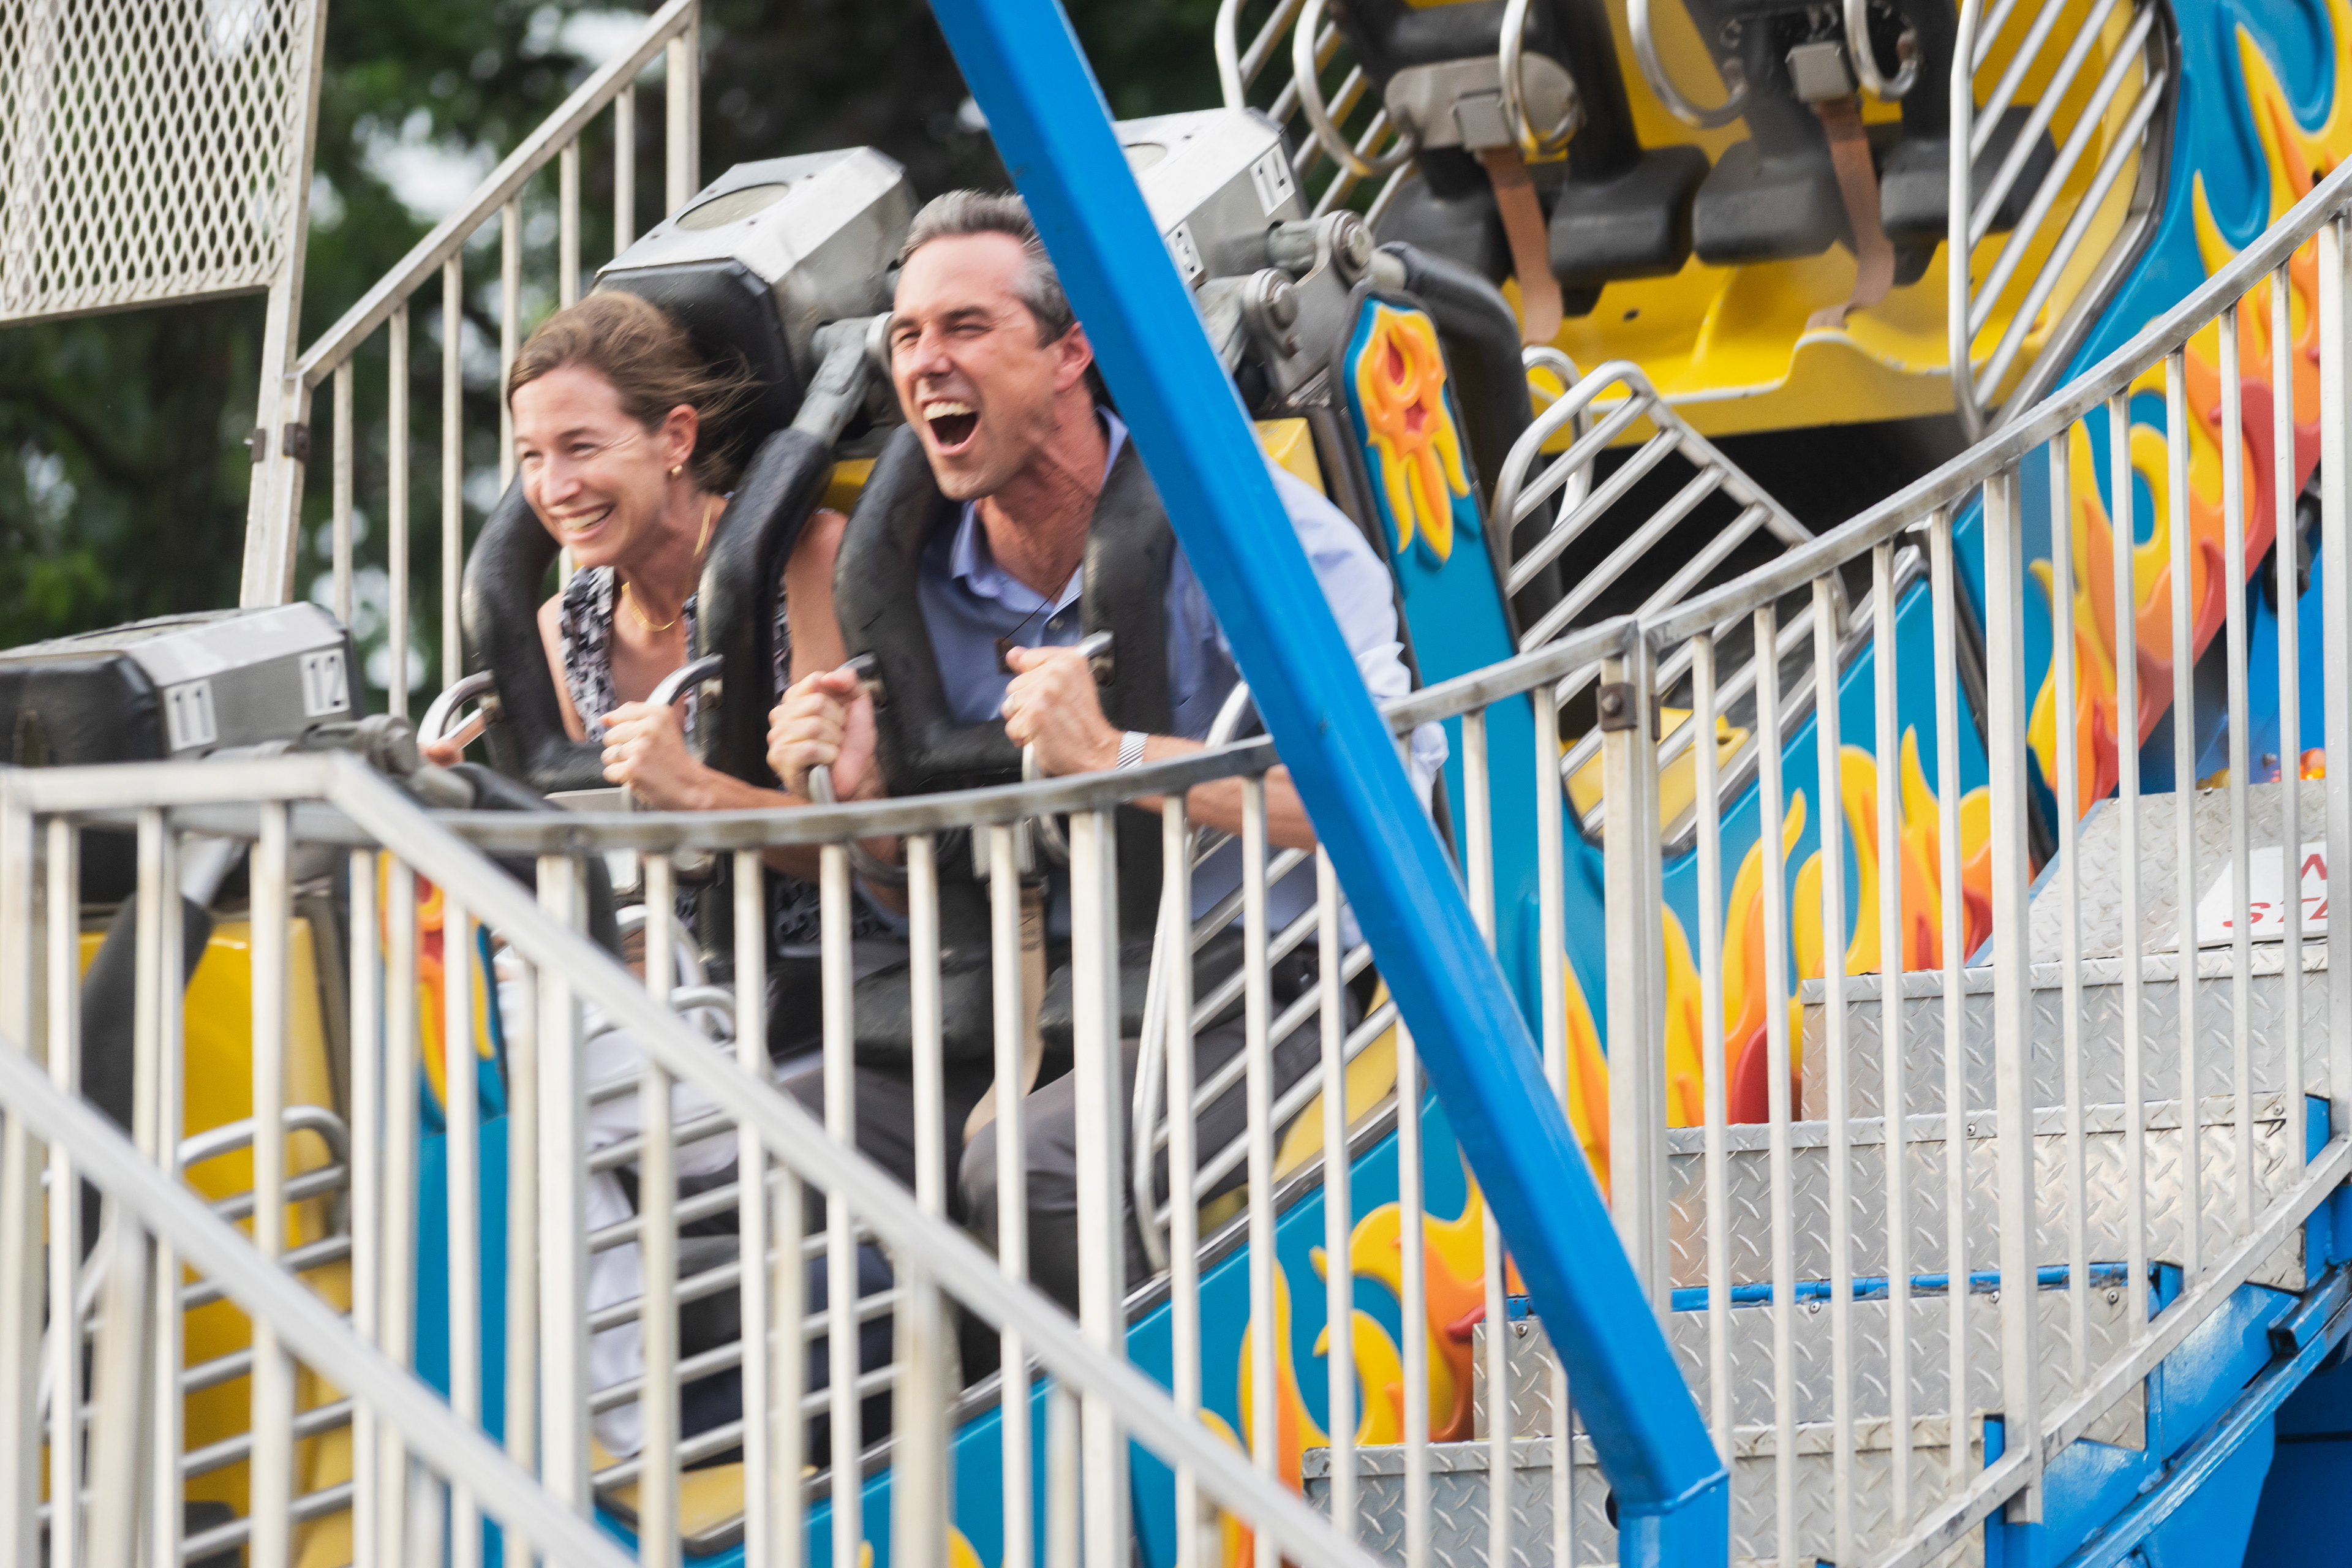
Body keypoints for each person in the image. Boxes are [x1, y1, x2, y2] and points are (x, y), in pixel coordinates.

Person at [767, 192, 1445, 1314]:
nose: (925, 363)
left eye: (966, 328)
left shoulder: (1254, 531)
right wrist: (861, 803)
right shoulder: (910, 583)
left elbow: (1380, 803)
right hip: (1019, 1001)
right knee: (768, 1137)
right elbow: (915, 882)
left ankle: (1132, 1428)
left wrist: (1116, 755)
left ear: (1072, 352)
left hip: (1251, 996)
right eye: (907, 335)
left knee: (1032, 1164)